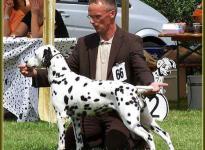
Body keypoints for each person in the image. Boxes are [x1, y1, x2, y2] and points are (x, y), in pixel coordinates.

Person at [19, 0, 167, 149]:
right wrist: (36, 73)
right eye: (89, 17)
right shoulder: (84, 43)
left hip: (117, 109)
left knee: (116, 144)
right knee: (70, 142)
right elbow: (64, 73)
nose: (92, 21)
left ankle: (139, 141)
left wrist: (151, 84)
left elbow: (141, 69)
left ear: (112, 14)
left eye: (97, 17)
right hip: (90, 110)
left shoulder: (130, 41)